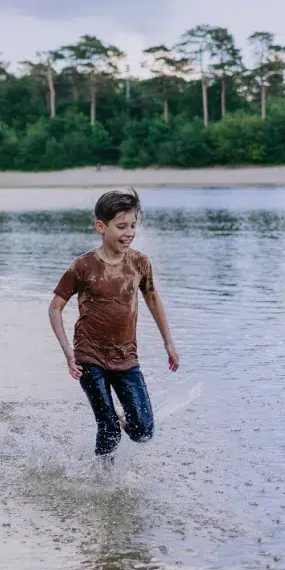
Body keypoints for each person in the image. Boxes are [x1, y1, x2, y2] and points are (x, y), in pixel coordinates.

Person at [48, 189, 179, 462]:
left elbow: (153, 299)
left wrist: (169, 343)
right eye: (121, 227)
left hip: (126, 357)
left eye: (133, 225)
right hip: (89, 356)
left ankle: (117, 421)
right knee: (108, 429)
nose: (129, 232)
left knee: (143, 431)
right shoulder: (83, 266)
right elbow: (55, 308)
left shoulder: (140, 263)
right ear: (101, 227)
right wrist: (68, 353)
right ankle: (101, 482)